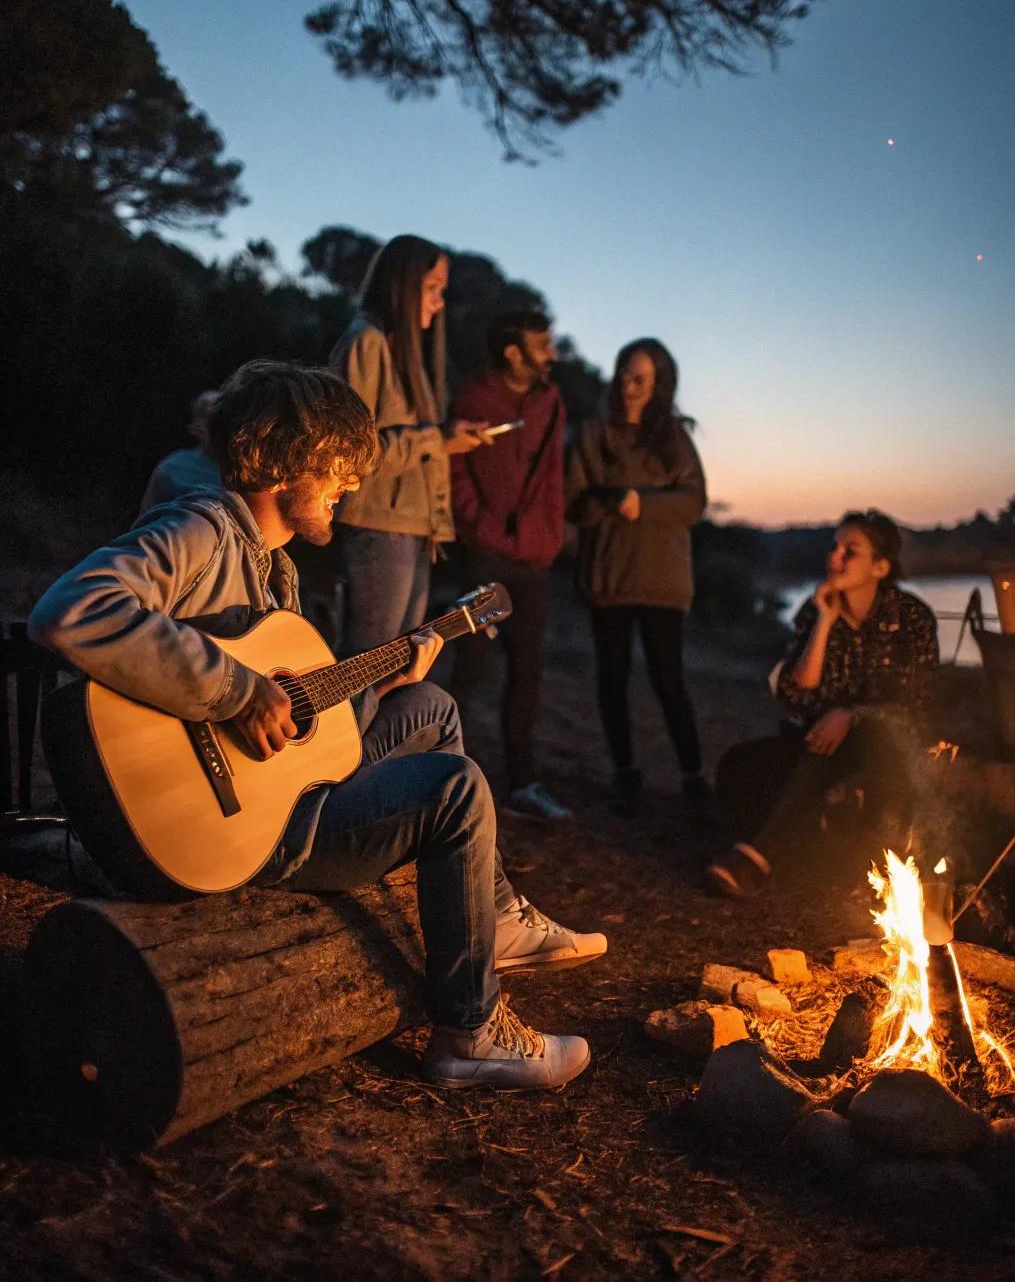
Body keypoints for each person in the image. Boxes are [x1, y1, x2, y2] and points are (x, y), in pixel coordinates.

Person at [30, 360, 605, 1090]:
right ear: (286, 463)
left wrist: (382, 676)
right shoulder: (203, 528)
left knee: (429, 708)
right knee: (455, 790)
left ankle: (497, 918)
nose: (351, 486)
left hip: (274, 791)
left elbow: (301, 729)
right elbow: (71, 610)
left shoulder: (275, 570)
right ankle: (469, 1030)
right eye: (339, 468)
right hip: (223, 826)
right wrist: (235, 689)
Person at [707, 509, 940, 897]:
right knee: (739, 764)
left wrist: (851, 715)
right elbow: (796, 694)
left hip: (884, 745)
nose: (835, 558)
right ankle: (796, 844)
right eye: (834, 547)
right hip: (816, 738)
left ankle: (759, 858)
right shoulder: (816, 610)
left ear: (880, 567)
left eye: (852, 551)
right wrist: (824, 623)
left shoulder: (911, 617)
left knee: (864, 749)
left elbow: (915, 701)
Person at [324, 234, 490, 657]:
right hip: (379, 529)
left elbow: (408, 445)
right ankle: (350, 727)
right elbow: (352, 454)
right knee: (366, 663)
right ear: (403, 284)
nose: (439, 303)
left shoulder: (405, 356)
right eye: (433, 289)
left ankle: (383, 727)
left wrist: (451, 441)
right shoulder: (367, 343)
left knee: (400, 666)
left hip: (413, 528)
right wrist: (436, 438)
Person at [565, 338, 707, 816]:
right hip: (609, 577)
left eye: (640, 379)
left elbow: (694, 503)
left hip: (663, 582)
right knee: (612, 679)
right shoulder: (592, 433)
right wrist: (605, 502)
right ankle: (625, 773)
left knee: (670, 680)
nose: (628, 386)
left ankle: (693, 776)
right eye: (624, 374)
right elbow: (573, 503)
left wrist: (642, 503)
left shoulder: (673, 438)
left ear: (659, 384)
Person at [449, 310, 570, 822]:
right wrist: (482, 529)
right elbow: (454, 470)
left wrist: (549, 534)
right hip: (488, 552)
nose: (552, 353)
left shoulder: (552, 401)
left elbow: (552, 478)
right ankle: (446, 773)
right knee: (472, 665)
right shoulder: (475, 399)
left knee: (527, 672)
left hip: (534, 558)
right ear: (512, 352)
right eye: (542, 344)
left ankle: (523, 783)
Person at [138, 390, 221, 513]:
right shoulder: (172, 468)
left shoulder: (246, 470)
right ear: (193, 428)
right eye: (205, 414)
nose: (214, 421)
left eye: (219, 414)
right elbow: (145, 517)